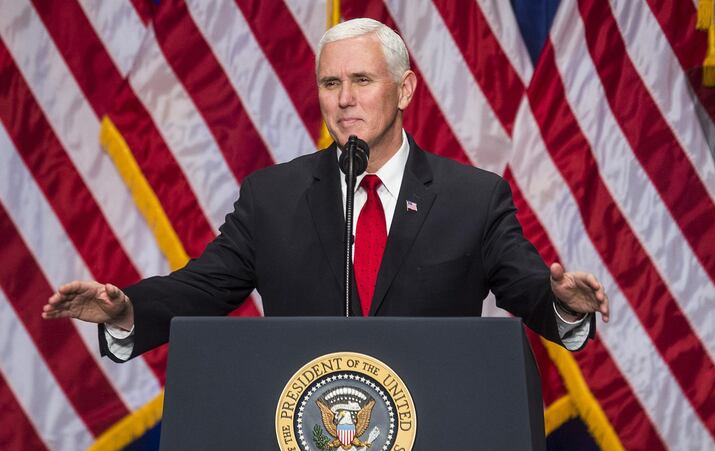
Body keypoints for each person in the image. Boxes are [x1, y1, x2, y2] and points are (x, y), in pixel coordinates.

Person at [43, 18, 609, 362]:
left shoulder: (472, 198)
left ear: (404, 89)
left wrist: (562, 303)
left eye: (363, 81)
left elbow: (527, 288)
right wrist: (125, 310)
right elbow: (202, 288)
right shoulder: (272, 197)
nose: (344, 99)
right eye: (331, 83)